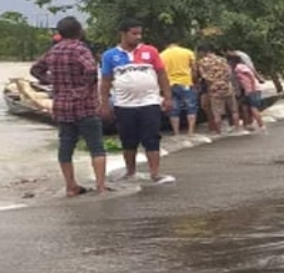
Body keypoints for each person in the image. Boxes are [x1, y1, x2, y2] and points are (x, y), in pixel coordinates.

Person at [30, 16, 108, 196]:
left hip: (61, 105)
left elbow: (35, 69)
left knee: (65, 147)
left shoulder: (53, 51)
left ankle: (70, 186)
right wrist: (83, 89)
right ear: (79, 31)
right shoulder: (81, 49)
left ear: (60, 33)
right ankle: (101, 186)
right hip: (85, 106)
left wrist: (51, 81)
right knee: (96, 146)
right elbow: (90, 70)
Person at [100, 19, 175, 184]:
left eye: (140, 33)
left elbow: (162, 74)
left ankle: (155, 173)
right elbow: (105, 81)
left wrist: (168, 97)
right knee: (128, 140)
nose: (138, 37)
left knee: (152, 138)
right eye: (134, 33)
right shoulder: (110, 55)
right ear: (123, 34)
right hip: (124, 105)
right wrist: (104, 103)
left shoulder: (151, 52)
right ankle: (130, 172)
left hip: (150, 103)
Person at [196, 45, 240, 134]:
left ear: (202, 52)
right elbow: (229, 72)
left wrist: (212, 83)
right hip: (227, 86)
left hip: (214, 88)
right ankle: (237, 128)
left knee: (216, 113)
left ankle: (219, 132)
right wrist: (224, 80)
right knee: (234, 110)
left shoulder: (202, 62)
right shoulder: (222, 59)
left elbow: (204, 76)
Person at [159, 42, 198, 136]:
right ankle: (191, 131)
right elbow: (194, 69)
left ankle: (176, 132)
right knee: (191, 107)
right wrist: (194, 81)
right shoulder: (188, 52)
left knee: (173, 109)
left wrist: (161, 87)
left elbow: (160, 72)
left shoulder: (162, 55)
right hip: (186, 82)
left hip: (170, 84)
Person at [227, 53, 266, 133]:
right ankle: (249, 125)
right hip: (249, 90)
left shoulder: (239, 67)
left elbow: (250, 75)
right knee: (246, 106)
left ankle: (261, 125)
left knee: (253, 108)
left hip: (252, 90)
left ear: (232, 61)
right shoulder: (238, 67)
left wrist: (253, 86)